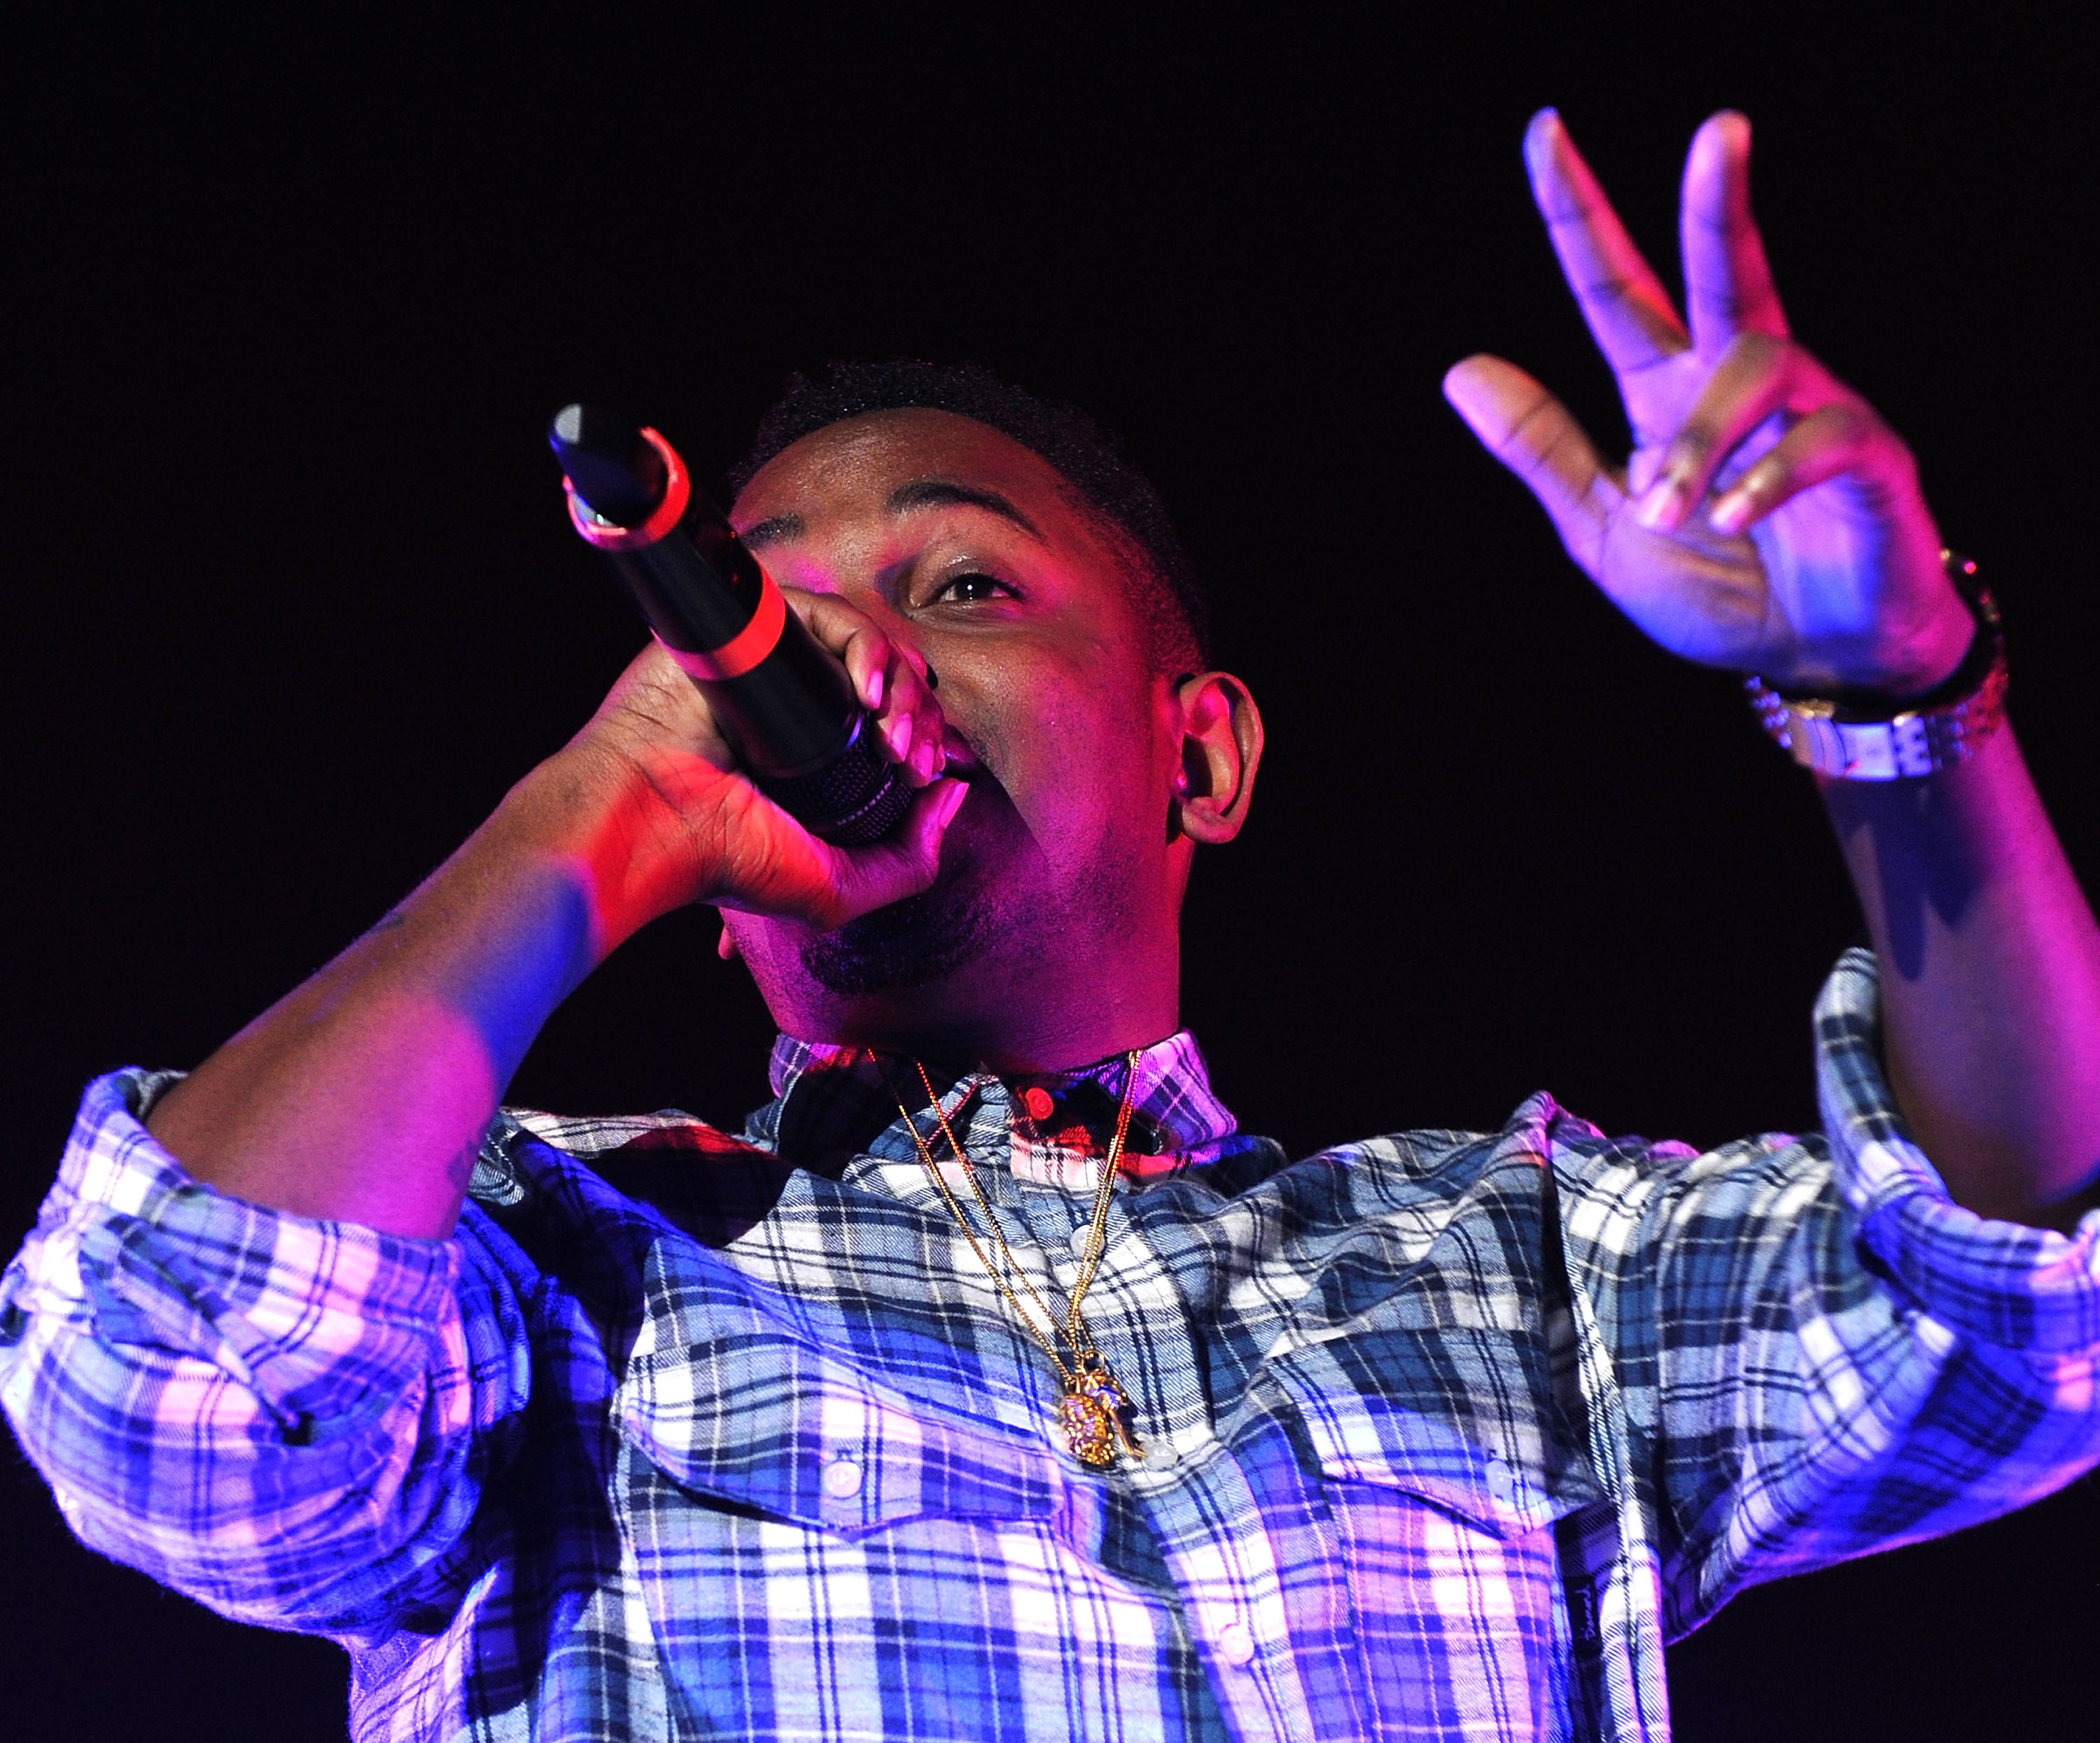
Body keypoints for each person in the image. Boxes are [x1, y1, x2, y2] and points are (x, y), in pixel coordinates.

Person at [4, 108, 2096, 1743]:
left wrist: (1896, 698)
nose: (856, 650)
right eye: (782, 605)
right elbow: (156, 1376)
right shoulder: (543, 1270)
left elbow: (2032, 1300)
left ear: (1201, 758)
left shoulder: (1518, 1260)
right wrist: (595, 815)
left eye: (965, 586)